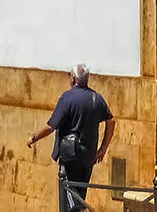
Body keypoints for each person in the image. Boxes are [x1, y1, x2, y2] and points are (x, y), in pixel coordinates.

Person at [26, 64, 115, 212]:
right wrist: (103, 149)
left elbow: (51, 126)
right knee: (80, 196)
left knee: (70, 199)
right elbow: (111, 121)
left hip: (70, 156)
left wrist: (34, 138)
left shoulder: (67, 98)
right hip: (88, 156)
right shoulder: (96, 98)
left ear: (73, 78)